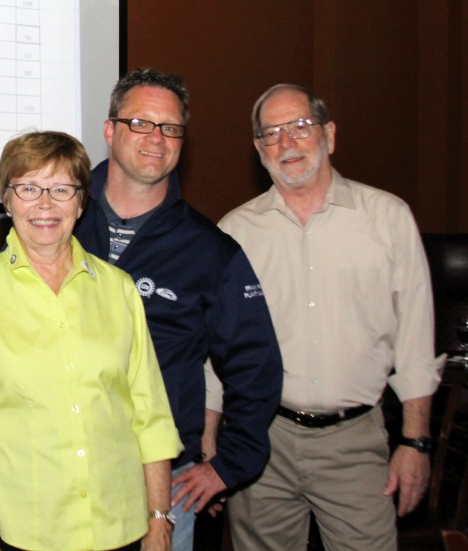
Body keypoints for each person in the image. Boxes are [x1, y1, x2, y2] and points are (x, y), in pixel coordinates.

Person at [0, 131, 183, 551]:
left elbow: (151, 418)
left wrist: (159, 519)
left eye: (61, 189)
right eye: (28, 188)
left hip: (124, 527)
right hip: (24, 534)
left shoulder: (119, 289)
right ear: (7, 201)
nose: (44, 204)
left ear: (80, 203)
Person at [217, 83, 443, 550]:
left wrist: (415, 443)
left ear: (329, 135)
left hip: (355, 444)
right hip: (263, 441)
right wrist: (210, 443)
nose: (287, 143)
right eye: (272, 133)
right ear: (259, 149)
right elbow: (218, 351)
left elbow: (416, 340)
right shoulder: (234, 233)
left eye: (300, 127)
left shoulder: (388, 218)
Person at [73, 68, 283, 550]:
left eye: (170, 128)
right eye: (141, 123)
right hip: (61, 471)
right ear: (110, 130)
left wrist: (229, 464)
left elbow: (258, 367)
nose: (156, 139)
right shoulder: (59, 222)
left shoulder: (211, 252)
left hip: (163, 484)